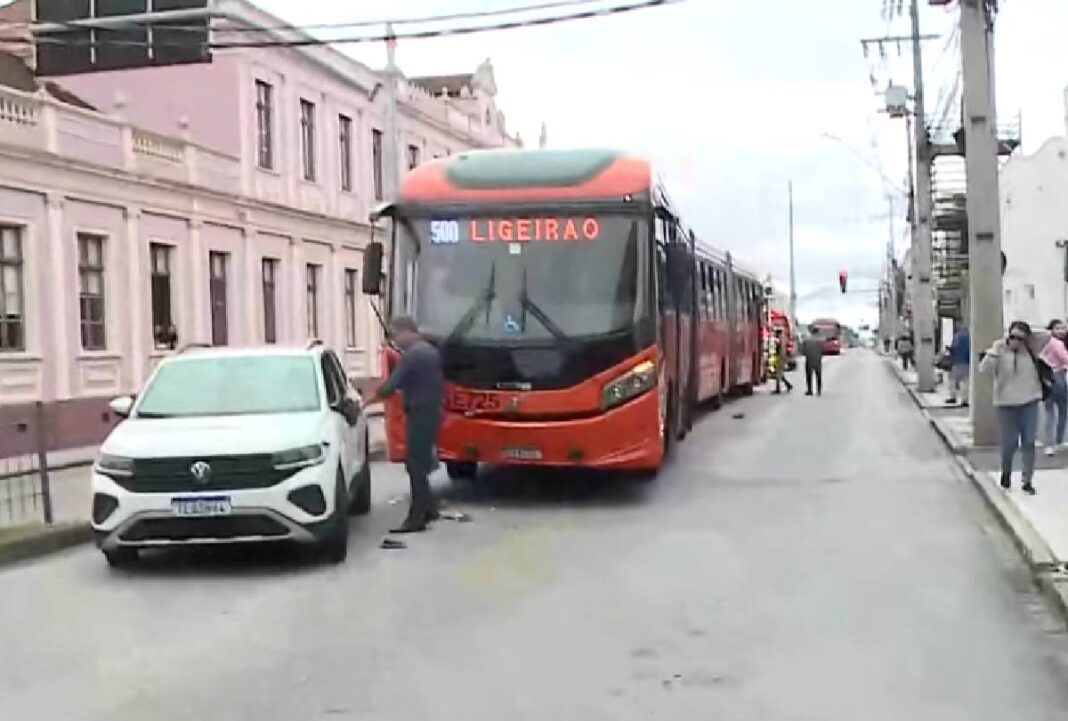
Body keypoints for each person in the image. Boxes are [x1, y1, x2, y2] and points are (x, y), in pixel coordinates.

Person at [372, 316, 444, 533]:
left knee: (415, 465)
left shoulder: (412, 356)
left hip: (419, 413)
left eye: (395, 335)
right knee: (420, 462)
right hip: (432, 412)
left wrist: (372, 396)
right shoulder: (430, 351)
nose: (395, 341)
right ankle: (430, 508)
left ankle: (417, 518)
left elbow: (391, 386)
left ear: (406, 332)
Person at [979, 320, 1044, 495]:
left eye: (1020, 338)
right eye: (1013, 337)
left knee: (1029, 441)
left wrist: (1029, 338)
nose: (1016, 341)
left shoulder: (1031, 350)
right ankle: (1006, 472)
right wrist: (995, 349)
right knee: (1009, 443)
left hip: (1030, 401)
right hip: (1006, 404)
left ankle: (1027, 480)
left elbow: (1046, 336)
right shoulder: (1000, 351)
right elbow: (984, 370)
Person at [1040, 319, 1068, 456]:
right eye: (1058, 328)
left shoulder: (1048, 343)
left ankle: (1050, 443)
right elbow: (1065, 359)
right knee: (1062, 409)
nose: (1062, 331)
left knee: (1050, 411)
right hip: (1058, 376)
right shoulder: (1057, 344)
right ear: (1051, 330)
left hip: (1047, 378)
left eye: (1063, 328)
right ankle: (1057, 441)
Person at [946, 324, 971, 406]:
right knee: (965, 381)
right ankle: (965, 400)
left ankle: (953, 397)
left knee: (952, 380)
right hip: (967, 362)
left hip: (957, 361)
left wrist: (949, 350)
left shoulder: (957, 336)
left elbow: (954, 348)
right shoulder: (969, 336)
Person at [801, 326, 824, 396]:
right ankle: (819, 391)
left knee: (809, 376)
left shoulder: (807, 339)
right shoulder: (821, 340)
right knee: (818, 376)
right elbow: (823, 350)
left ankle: (810, 390)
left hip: (809, 359)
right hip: (817, 360)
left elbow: (803, 350)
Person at [772, 328, 793, 394]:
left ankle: (778, 389)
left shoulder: (780, 339)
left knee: (778, 373)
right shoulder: (784, 338)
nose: (775, 334)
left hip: (780, 357)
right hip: (783, 357)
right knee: (780, 374)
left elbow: (779, 348)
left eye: (775, 333)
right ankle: (788, 385)